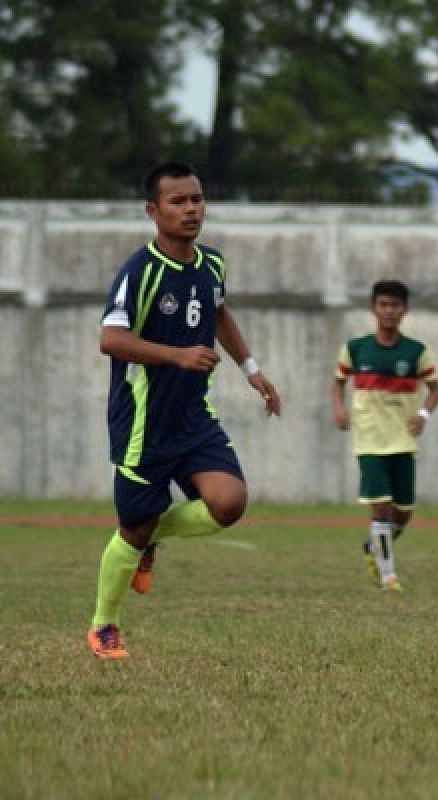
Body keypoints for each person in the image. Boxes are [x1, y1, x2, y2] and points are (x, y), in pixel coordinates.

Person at [89, 161, 282, 659]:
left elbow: (218, 313)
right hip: (142, 423)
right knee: (132, 527)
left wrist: (252, 368)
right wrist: (177, 355)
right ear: (153, 211)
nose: (191, 209)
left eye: (196, 199)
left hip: (193, 417)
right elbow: (110, 339)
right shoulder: (140, 271)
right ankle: (103, 626)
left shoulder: (212, 265)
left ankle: (151, 535)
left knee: (229, 503)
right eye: (178, 201)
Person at [333, 280, 438, 591]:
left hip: (403, 441)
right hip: (369, 441)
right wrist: (339, 409)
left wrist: (423, 414)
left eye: (395, 305)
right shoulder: (355, 349)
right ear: (373, 309)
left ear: (404, 310)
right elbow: (338, 382)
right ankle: (388, 576)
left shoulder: (417, 352)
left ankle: (374, 547)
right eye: (383, 305)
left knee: (403, 514)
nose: (389, 311)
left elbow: (436, 390)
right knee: (379, 507)